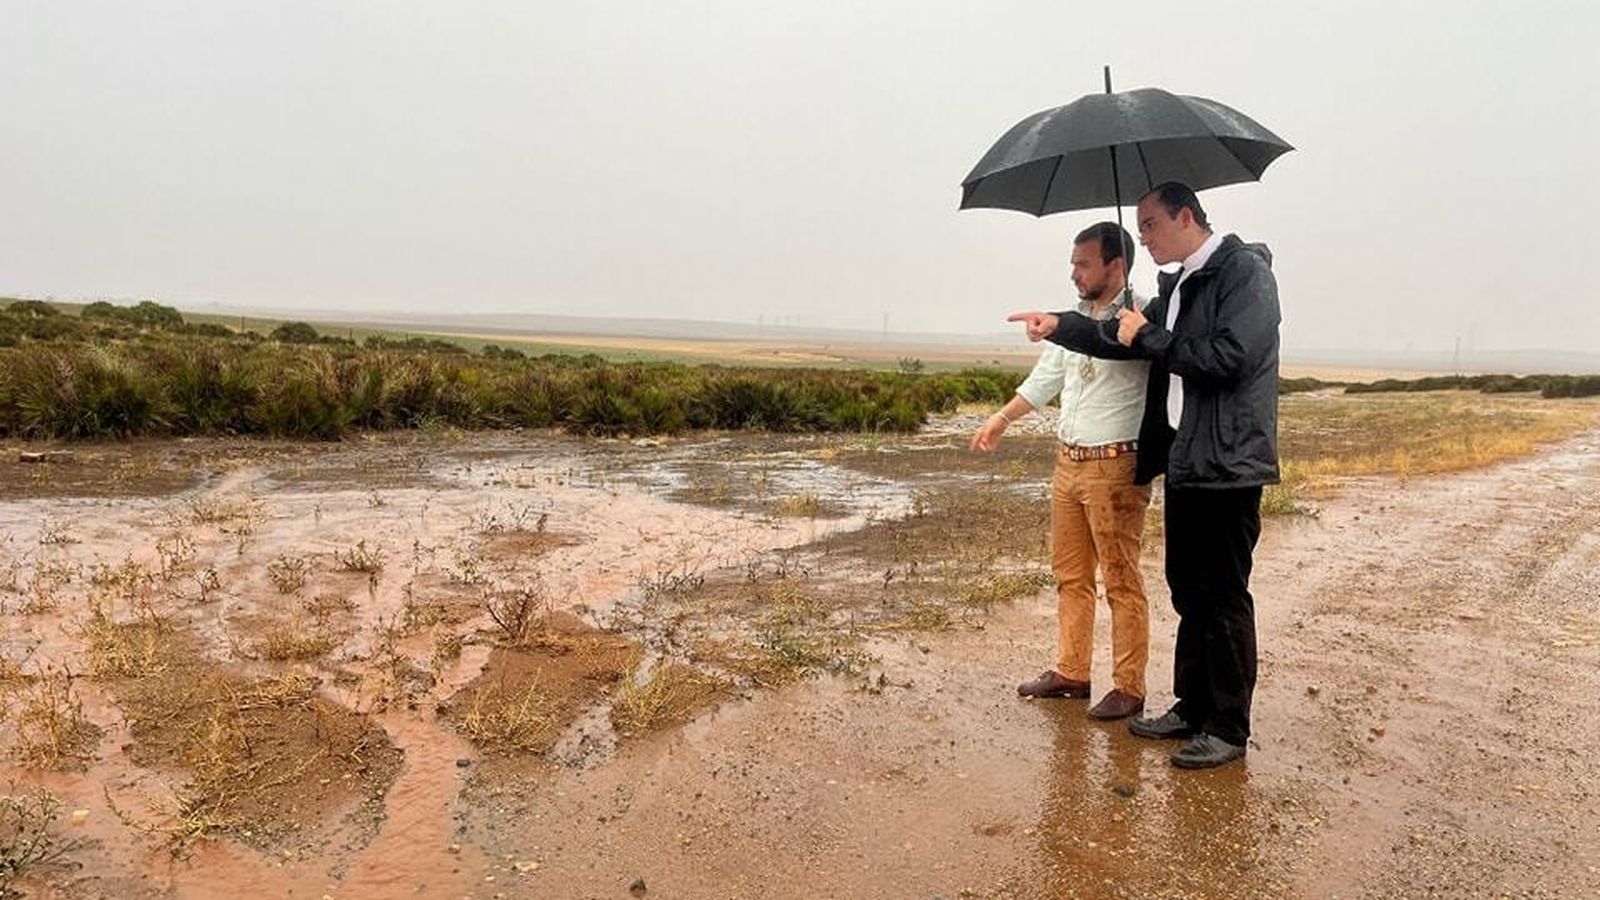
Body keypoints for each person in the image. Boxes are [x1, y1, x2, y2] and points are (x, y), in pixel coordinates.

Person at [1007, 182, 1281, 770]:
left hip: (1230, 461)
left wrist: (1151, 336)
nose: (1145, 238)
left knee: (1223, 595)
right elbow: (1115, 339)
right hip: (1185, 457)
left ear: (1186, 216)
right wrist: (1056, 323)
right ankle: (1191, 705)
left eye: (1151, 225)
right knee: (1188, 588)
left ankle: (1228, 727)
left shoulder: (1245, 274)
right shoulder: (1179, 284)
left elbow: (1228, 358)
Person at [971, 222, 1152, 721]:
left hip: (1115, 462)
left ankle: (1129, 686)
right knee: (1071, 575)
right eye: (1072, 263)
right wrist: (1001, 418)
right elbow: (1047, 376)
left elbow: (1113, 343)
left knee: (1120, 578)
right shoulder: (1074, 318)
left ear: (1115, 265)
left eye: (1083, 263)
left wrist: (1064, 323)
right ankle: (1072, 671)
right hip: (1068, 460)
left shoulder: (1143, 316)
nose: (1074, 273)